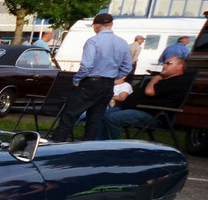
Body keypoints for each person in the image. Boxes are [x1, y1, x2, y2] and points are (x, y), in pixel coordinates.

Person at [50, 12, 130, 142]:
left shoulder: (93, 41)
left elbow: (86, 65)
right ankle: (87, 146)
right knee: (95, 119)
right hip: (108, 84)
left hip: (90, 83)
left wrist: (77, 79)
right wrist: (114, 78)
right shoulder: (122, 43)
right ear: (111, 24)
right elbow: (127, 68)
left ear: (96, 26)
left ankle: (56, 143)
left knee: (70, 115)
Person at [104, 55, 196, 139]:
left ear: (179, 66)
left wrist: (155, 79)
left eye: (168, 63)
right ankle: (98, 145)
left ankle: (112, 147)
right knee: (101, 115)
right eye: (164, 63)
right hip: (131, 108)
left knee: (113, 118)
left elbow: (149, 92)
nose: (164, 65)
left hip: (153, 115)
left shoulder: (178, 81)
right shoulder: (162, 79)